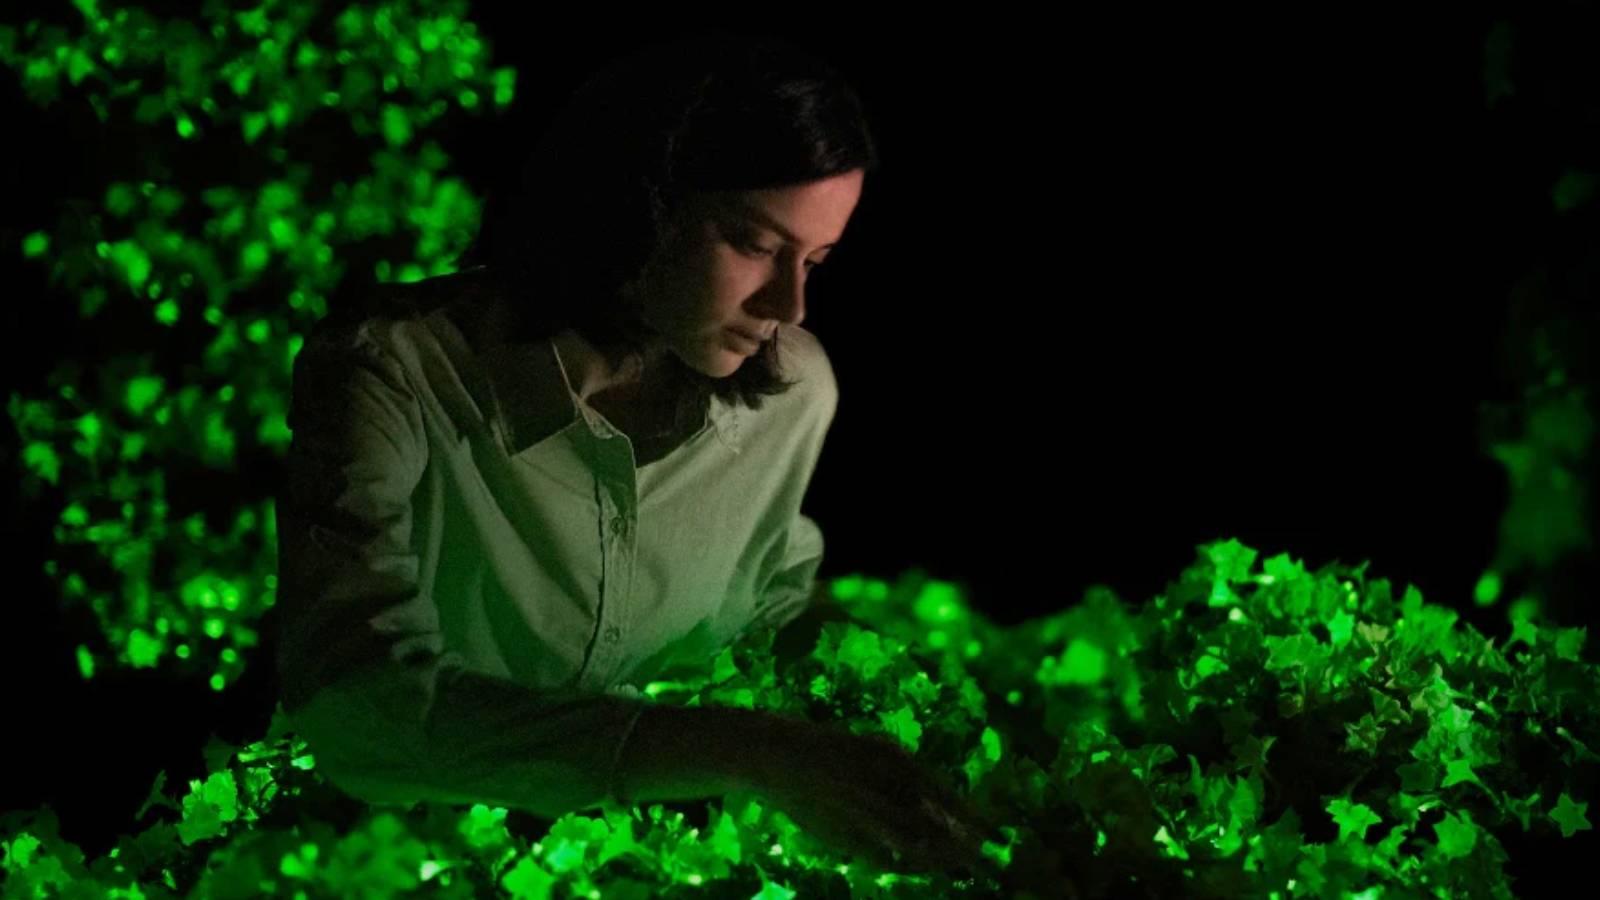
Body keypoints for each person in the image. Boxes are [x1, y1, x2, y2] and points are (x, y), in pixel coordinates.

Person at [274, 31, 992, 874]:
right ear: (639, 204)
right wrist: (745, 750)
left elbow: (767, 611)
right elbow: (362, 707)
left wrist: (912, 720)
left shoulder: (793, 395)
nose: (790, 304)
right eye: (757, 245)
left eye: (818, 260)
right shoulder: (396, 371)